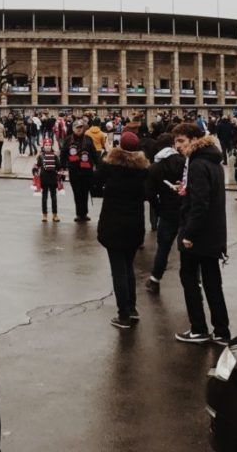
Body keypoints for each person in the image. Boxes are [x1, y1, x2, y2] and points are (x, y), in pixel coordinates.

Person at [173, 123, 231, 345]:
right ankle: (222, 331)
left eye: (181, 141)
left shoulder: (197, 164)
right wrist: (185, 190)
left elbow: (200, 204)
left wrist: (188, 233)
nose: (177, 146)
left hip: (198, 234)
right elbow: (204, 195)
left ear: (194, 139)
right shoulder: (212, 160)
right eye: (176, 141)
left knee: (189, 279)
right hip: (214, 232)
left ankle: (198, 328)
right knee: (212, 282)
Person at [95, 133, 149, 329]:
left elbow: (95, 185)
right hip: (134, 225)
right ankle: (132, 309)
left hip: (113, 224)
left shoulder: (110, 166)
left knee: (118, 270)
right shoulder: (143, 169)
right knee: (128, 268)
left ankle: (123, 314)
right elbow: (147, 194)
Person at [145, 134, 186, 294]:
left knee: (163, 247)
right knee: (188, 247)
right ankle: (195, 282)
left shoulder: (156, 167)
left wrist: (158, 208)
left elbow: (149, 193)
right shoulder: (185, 163)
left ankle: (155, 279)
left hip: (167, 210)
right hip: (184, 208)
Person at [59, 120, 100, 222]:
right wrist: (62, 167)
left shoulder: (88, 139)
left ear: (83, 128)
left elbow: (94, 154)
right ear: (73, 128)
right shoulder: (68, 140)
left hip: (87, 171)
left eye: (81, 127)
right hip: (74, 171)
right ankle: (79, 214)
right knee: (77, 193)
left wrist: (98, 166)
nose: (79, 129)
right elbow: (63, 155)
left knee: (85, 193)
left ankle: (84, 214)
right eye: (77, 127)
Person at [35, 139, 61, 222]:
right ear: (43, 146)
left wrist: (61, 174)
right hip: (44, 178)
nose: (48, 147)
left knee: (54, 198)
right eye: (46, 145)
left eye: (49, 145)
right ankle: (44, 215)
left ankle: (55, 214)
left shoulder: (55, 156)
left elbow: (59, 166)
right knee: (44, 197)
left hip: (53, 178)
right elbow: (37, 165)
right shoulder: (41, 156)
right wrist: (35, 170)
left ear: (51, 146)